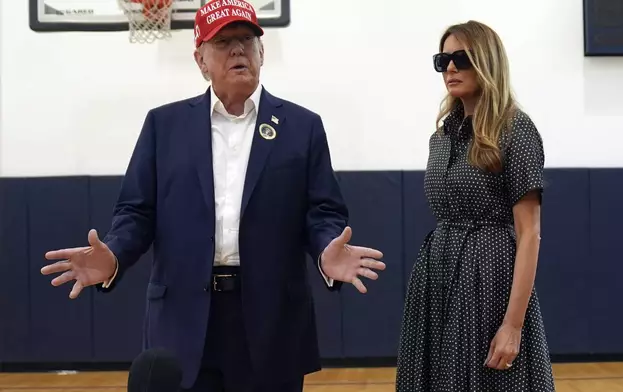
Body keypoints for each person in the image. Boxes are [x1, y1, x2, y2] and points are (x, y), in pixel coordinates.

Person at [40, 1, 386, 391]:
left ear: (262, 51)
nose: (238, 50)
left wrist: (326, 251)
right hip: (183, 319)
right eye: (223, 42)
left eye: (246, 40)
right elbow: (137, 213)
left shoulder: (302, 126)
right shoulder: (163, 126)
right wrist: (114, 255)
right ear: (200, 59)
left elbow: (322, 212)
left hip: (271, 321)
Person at [395, 21, 555, 392]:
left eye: (461, 59)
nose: (450, 68)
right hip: (437, 275)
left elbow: (529, 233)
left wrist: (513, 325)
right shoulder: (441, 136)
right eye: (443, 60)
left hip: (490, 277)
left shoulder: (516, 129)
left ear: (487, 61)